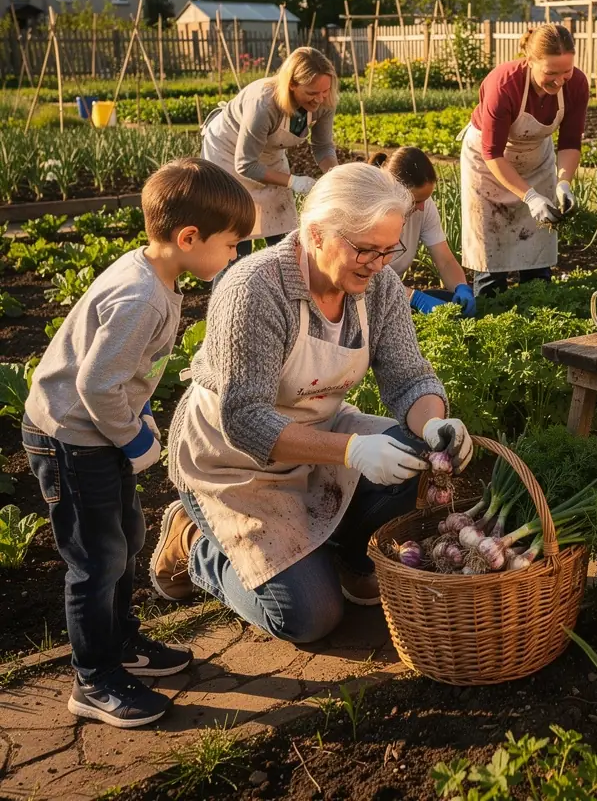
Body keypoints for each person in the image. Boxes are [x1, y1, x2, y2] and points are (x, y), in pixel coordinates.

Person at [148, 163, 473, 644]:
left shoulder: (378, 286)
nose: (379, 264)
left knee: (422, 457)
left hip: (317, 437)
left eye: (389, 250)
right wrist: (352, 451)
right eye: (365, 249)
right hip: (233, 465)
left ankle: (347, 555)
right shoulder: (254, 290)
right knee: (311, 617)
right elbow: (246, 420)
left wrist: (434, 426)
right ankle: (194, 543)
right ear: (316, 234)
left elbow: (409, 376)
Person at [21, 159, 256, 728]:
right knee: (96, 561)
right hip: (72, 437)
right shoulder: (140, 298)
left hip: (96, 427)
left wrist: (139, 412)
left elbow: (125, 373)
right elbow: (96, 384)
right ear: (188, 238)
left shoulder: (156, 278)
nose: (234, 257)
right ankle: (94, 679)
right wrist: (132, 441)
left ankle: (122, 644)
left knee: (126, 537)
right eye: (230, 245)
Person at [460, 24, 587, 297]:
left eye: (566, 71)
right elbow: (492, 152)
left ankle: (538, 311)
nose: (559, 80)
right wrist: (530, 197)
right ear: (530, 61)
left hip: (535, 161)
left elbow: (569, 142)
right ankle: (489, 310)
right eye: (550, 73)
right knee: (490, 257)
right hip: (488, 165)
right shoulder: (503, 85)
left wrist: (564, 182)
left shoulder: (576, 84)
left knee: (537, 254)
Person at [200, 46, 339, 278]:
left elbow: (322, 146)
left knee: (285, 235)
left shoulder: (324, 101)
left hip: (268, 153)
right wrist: (294, 181)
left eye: (325, 91)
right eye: (313, 93)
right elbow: (245, 164)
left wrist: (335, 176)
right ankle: (231, 291)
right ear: (292, 84)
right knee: (238, 238)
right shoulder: (264, 103)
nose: (320, 98)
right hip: (228, 152)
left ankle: (279, 294)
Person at [370, 148, 476, 317]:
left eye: (425, 200)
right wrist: (413, 297)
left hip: (392, 293)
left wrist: (461, 287)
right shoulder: (369, 212)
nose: (421, 207)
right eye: (416, 200)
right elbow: (366, 275)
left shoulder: (424, 206)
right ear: (393, 190)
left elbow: (445, 260)